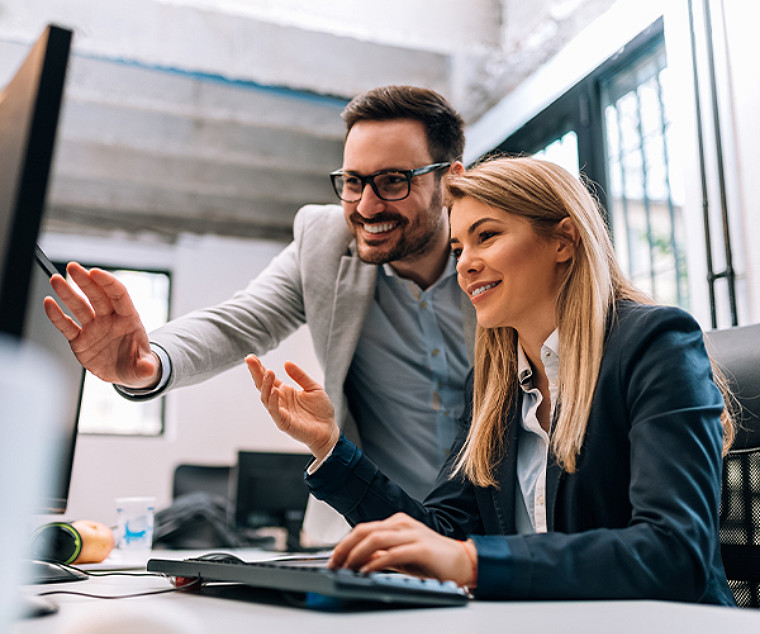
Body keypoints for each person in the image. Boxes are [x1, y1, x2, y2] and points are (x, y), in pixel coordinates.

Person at [245, 155, 736, 604]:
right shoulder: (491, 384)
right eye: (459, 247)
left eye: (487, 236)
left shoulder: (656, 345)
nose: (465, 264)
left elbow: (676, 552)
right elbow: (440, 535)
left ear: (563, 240)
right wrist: (330, 447)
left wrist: (473, 563)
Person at [42, 85, 475, 543]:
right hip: (374, 527)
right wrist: (150, 361)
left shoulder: (498, 254)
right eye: (352, 181)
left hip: (498, 527)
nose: (366, 206)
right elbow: (240, 321)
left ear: (449, 180)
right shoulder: (325, 243)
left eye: (393, 181)